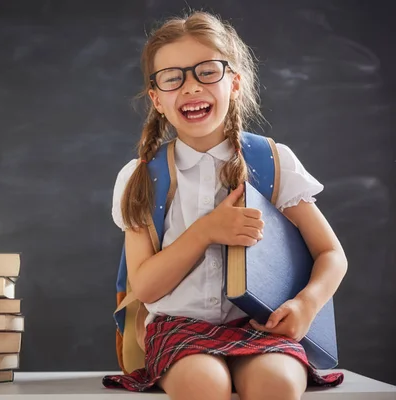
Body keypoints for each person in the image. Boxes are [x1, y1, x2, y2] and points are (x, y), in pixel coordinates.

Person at [102, 10, 348, 400]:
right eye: (172, 77)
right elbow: (146, 287)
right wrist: (207, 231)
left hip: (260, 326)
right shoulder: (140, 176)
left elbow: (331, 254)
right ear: (157, 100)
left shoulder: (272, 161)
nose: (191, 87)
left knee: (278, 383)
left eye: (207, 71)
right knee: (205, 385)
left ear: (234, 82)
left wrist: (305, 306)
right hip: (179, 326)